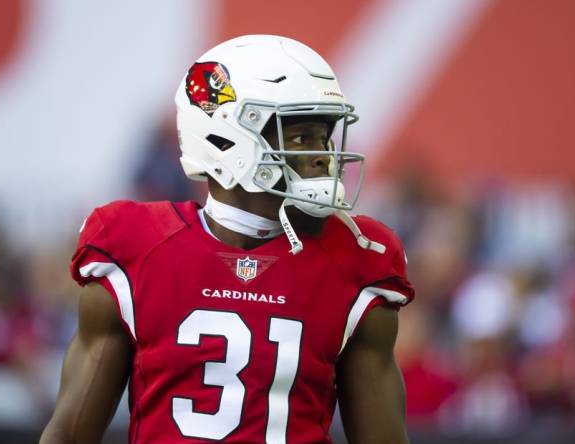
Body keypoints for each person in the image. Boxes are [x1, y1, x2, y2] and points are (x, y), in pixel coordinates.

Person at [41, 34, 414, 444]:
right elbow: (69, 433)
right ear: (226, 140)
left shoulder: (355, 259)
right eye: (301, 137)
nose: (323, 155)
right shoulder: (136, 250)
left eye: (323, 138)